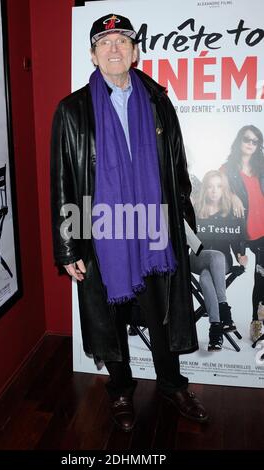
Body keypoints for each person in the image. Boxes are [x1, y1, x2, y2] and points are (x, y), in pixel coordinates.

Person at [51, 13, 208, 432]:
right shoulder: (72, 110)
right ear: (93, 54)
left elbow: (177, 167)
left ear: (135, 51)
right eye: (105, 43)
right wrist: (68, 245)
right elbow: (64, 179)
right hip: (100, 230)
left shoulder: (158, 100)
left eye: (122, 40)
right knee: (110, 314)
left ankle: (173, 385)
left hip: (155, 226)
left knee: (161, 311)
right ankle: (120, 389)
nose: (115, 48)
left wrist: (184, 223)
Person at [190, 170, 247, 351]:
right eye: (210, 187)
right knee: (216, 255)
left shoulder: (230, 212)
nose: (214, 191)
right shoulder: (196, 209)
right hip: (199, 257)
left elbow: (236, 239)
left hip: (223, 264)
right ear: (204, 189)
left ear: (224, 190)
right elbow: (189, 177)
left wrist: (240, 254)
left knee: (206, 278)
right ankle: (224, 310)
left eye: (219, 187)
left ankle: (215, 328)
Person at [222, 125, 264, 342]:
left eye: (255, 141)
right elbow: (215, 187)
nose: (250, 144)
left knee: (262, 280)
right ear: (239, 141)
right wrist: (232, 195)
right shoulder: (228, 169)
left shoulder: (261, 167)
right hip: (240, 234)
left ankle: (257, 325)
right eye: (246, 139)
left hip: (263, 233)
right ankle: (219, 320)